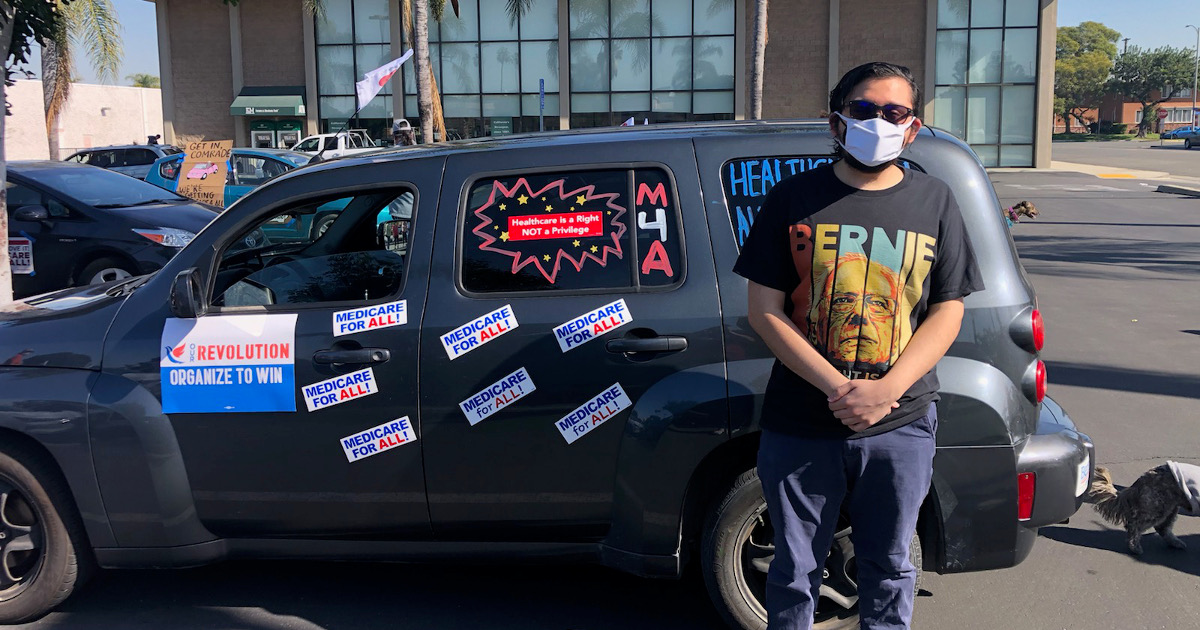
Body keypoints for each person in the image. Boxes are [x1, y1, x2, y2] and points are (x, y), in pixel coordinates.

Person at [732, 61, 983, 630]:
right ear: (837, 121)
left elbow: (948, 308)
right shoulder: (792, 199)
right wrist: (840, 388)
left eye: (894, 113)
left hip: (902, 420)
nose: (879, 123)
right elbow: (764, 311)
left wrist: (886, 390)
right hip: (801, 418)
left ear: (913, 128)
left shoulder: (936, 201)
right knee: (794, 569)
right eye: (864, 110)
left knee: (890, 567)